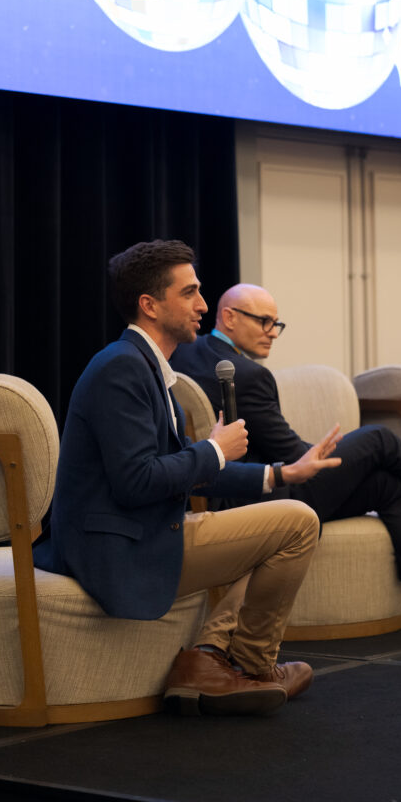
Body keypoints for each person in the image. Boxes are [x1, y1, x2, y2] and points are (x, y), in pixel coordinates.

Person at [34, 240, 345, 717]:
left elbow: (185, 472)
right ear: (150, 305)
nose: (204, 305)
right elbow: (136, 481)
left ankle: (210, 662)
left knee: (278, 521)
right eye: (191, 293)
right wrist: (215, 450)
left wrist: (281, 472)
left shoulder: (148, 369)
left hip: (143, 530)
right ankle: (251, 668)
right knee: (298, 522)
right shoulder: (120, 367)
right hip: (117, 548)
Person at [171, 283, 401, 635]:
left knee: (387, 484)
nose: (273, 331)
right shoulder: (247, 373)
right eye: (264, 321)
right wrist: (341, 455)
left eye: (277, 323)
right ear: (230, 316)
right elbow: (294, 455)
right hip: (259, 496)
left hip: (227, 490)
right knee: (379, 439)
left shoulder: (188, 353)